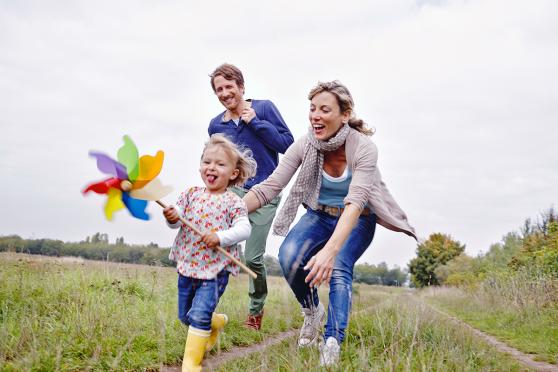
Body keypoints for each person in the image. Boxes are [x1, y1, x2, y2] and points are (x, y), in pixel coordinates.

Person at [243, 81, 416, 366]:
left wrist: (330, 251)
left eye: (325, 109)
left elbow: (356, 201)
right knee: (289, 256)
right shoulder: (306, 144)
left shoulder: (364, 149)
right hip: (319, 214)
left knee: (339, 268)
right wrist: (228, 210)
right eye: (312, 109)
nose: (315, 116)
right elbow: (271, 186)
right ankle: (312, 311)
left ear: (344, 115)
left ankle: (332, 341)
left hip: (357, 218)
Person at [208, 63, 294, 330]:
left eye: (229, 86)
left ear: (241, 87)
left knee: (253, 257)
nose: (224, 93)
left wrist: (255, 123)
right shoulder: (215, 126)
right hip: (232, 193)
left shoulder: (265, 108)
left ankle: (255, 312)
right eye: (219, 89)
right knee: (216, 247)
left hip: (266, 191)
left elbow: (288, 145)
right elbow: (215, 161)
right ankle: (206, 308)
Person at [163, 134, 257, 371]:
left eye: (220, 164)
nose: (211, 167)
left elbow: (244, 229)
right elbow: (176, 223)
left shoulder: (233, 202)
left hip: (215, 270)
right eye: (207, 162)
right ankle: (215, 322)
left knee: (199, 315)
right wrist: (171, 217)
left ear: (233, 173)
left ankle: (191, 364)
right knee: (185, 316)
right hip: (187, 264)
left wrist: (220, 237)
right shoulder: (190, 194)